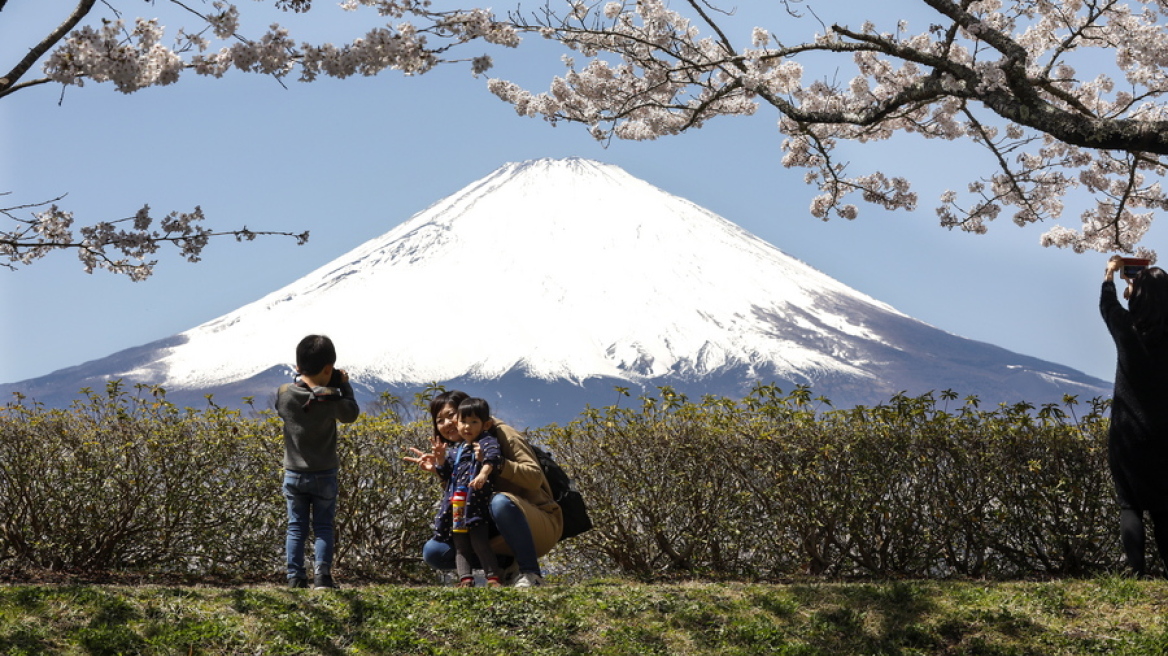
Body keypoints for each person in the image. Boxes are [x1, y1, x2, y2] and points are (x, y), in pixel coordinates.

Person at [406, 390, 562, 587]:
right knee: (435, 552)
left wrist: (496, 464)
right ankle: (504, 568)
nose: (447, 424)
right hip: (488, 526)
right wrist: (440, 468)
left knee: (501, 502)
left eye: (451, 415)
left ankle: (531, 573)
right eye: (439, 420)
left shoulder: (501, 434)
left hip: (535, 521)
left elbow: (534, 479)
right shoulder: (458, 450)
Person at [275, 334, 360, 589]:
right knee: (323, 526)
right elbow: (351, 414)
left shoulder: (284, 394)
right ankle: (322, 577)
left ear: (298, 367)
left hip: (293, 474)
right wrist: (343, 386)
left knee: (295, 527)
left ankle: (295, 577)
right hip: (324, 474)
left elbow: (286, 401)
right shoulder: (331, 398)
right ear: (328, 368)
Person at [1101, 255, 1168, 577]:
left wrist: (1111, 276)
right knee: (1164, 508)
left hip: (1128, 432)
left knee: (1131, 504)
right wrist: (1142, 289)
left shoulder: (1126, 328)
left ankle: (1136, 571)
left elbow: (1107, 306)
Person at [433, 397, 505, 587]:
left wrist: (483, 473)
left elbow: (493, 458)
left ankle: (493, 577)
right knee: (460, 544)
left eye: (474, 422)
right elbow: (447, 473)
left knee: (480, 542)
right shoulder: (457, 449)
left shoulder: (486, 441)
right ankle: (465, 578)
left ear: (486, 424)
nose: (467, 427)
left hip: (475, 504)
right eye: (464, 422)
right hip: (457, 504)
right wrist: (440, 460)